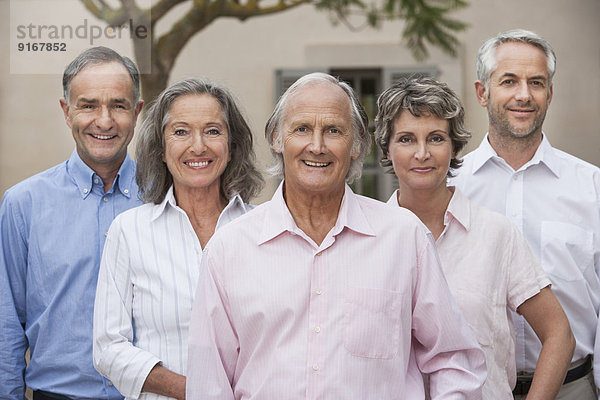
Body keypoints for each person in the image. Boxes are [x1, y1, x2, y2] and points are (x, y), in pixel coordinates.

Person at [186, 72, 487, 399]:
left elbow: (453, 358)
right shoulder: (229, 249)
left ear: (357, 144)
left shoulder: (404, 238)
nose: (316, 146)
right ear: (276, 138)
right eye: (302, 129)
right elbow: (209, 384)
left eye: (333, 131)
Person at [374, 76, 574, 399]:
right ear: (387, 147)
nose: (422, 153)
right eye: (407, 139)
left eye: (436, 138)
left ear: (454, 146)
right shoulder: (368, 240)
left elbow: (559, 334)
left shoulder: (496, 234)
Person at [449, 29, 600, 399]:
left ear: (550, 93)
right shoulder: (450, 189)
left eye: (536, 82)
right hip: (475, 390)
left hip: (574, 388)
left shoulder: (593, 187)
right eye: (509, 81)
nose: (523, 95)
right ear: (482, 92)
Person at [93, 78, 264, 400]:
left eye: (213, 131)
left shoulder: (265, 229)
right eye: (181, 131)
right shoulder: (129, 231)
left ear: (232, 146)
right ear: (160, 148)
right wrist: (197, 392)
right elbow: (108, 348)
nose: (198, 146)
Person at [0, 47, 144, 400]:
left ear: (138, 112)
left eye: (119, 105)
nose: (104, 120)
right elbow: (6, 324)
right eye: (88, 105)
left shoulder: (167, 197)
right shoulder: (23, 204)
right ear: (67, 111)